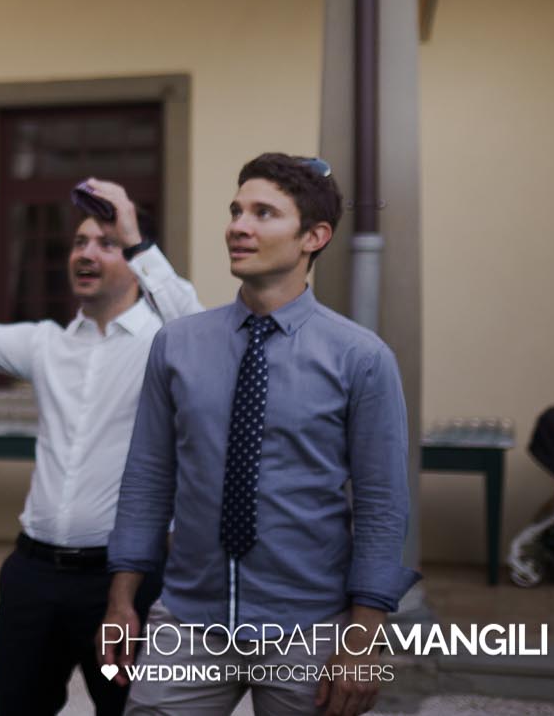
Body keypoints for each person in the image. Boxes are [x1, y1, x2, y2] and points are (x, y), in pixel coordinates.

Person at [102, 155, 417, 716]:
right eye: (236, 210)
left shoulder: (361, 358)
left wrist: (364, 638)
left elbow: (381, 507)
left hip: (310, 629)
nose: (238, 226)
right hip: (187, 621)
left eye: (263, 213)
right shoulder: (176, 345)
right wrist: (121, 600)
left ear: (312, 237)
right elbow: (149, 477)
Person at [0, 161, 202, 716]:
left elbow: (205, 335)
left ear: (137, 262)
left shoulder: (169, 343)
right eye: (79, 242)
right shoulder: (46, 345)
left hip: (126, 585)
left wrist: (138, 237)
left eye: (107, 243)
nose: (86, 253)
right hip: (33, 578)